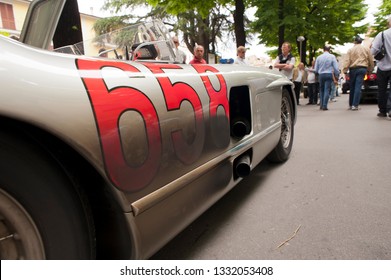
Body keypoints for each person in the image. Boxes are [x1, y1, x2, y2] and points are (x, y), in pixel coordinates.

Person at [343, 36, 374, 110]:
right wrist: (370, 70)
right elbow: (370, 60)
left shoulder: (351, 50)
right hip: (362, 68)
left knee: (352, 87)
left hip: (353, 69)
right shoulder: (366, 49)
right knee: (358, 86)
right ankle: (355, 105)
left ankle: (351, 104)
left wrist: (345, 70)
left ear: (354, 42)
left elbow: (347, 60)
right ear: (361, 41)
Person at [371, 16, 391, 118]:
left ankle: (382, 111)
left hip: (383, 67)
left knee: (381, 89)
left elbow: (373, 51)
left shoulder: (382, 34)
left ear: (389, 23)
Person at [314, 45, 340, 110]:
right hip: (329, 74)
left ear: (323, 49)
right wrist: (337, 75)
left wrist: (317, 73)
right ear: (329, 50)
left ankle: (321, 105)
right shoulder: (332, 57)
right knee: (327, 90)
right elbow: (336, 68)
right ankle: (325, 105)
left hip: (321, 75)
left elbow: (316, 69)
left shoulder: (319, 57)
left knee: (321, 90)